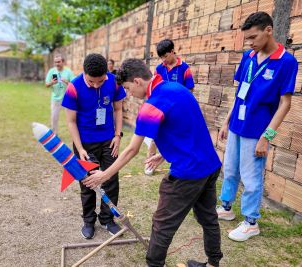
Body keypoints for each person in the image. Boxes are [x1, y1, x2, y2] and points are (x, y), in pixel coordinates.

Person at [83, 58, 223, 267]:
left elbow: (132, 149)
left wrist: (105, 174)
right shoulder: (177, 88)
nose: (129, 94)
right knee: (208, 218)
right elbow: (186, 129)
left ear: (138, 81)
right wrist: (164, 154)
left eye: (129, 88)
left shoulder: (152, 105)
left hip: (188, 173)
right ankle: (213, 263)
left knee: (162, 224)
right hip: (210, 165)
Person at [216, 11, 298, 242]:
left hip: (257, 130)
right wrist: (226, 119)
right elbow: (240, 91)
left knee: (251, 178)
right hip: (237, 125)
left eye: (253, 37)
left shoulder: (286, 62)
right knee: (230, 169)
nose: (250, 43)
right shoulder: (248, 57)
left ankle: (251, 222)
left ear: (268, 30)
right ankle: (226, 207)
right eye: (247, 39)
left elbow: (285, 103)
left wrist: (267, 135)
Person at [62, 53, 126, 239]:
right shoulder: (74, 87)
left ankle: (108, 219)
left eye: (100, 81)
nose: (97, 85)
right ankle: (88, 221)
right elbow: (71, 122)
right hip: (85, 144)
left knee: (111, 181)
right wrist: (80, 148)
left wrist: (117, 135)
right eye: (92, 82)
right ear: (84, 74)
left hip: (109, 140)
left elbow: (119, 109)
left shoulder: (113, 81)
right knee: (88, 183)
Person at [144, 39, 195, 175]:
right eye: (161, 57)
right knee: (156, 134)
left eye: (165, 56)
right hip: (162, 108)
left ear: (172, 51)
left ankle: (177, 164)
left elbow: (189, 90)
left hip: (178, 110)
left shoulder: (184, 68)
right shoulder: (159, 69)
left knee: (177, 135)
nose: (163, 60)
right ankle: (150, 161)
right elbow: (153, 88)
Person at [45, 54, 75, 134]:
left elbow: (74, 86)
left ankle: (73, 133)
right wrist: (52, 82)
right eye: (55, 62)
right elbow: (46, 85)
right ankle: (54, 134)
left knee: (71, 118)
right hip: (55, 99)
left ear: (63, 62)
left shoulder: (68, 72)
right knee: (54, 118)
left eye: (58, 62)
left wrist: (66, 81)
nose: (57, 64)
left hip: (67, 98)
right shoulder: (52, 71)